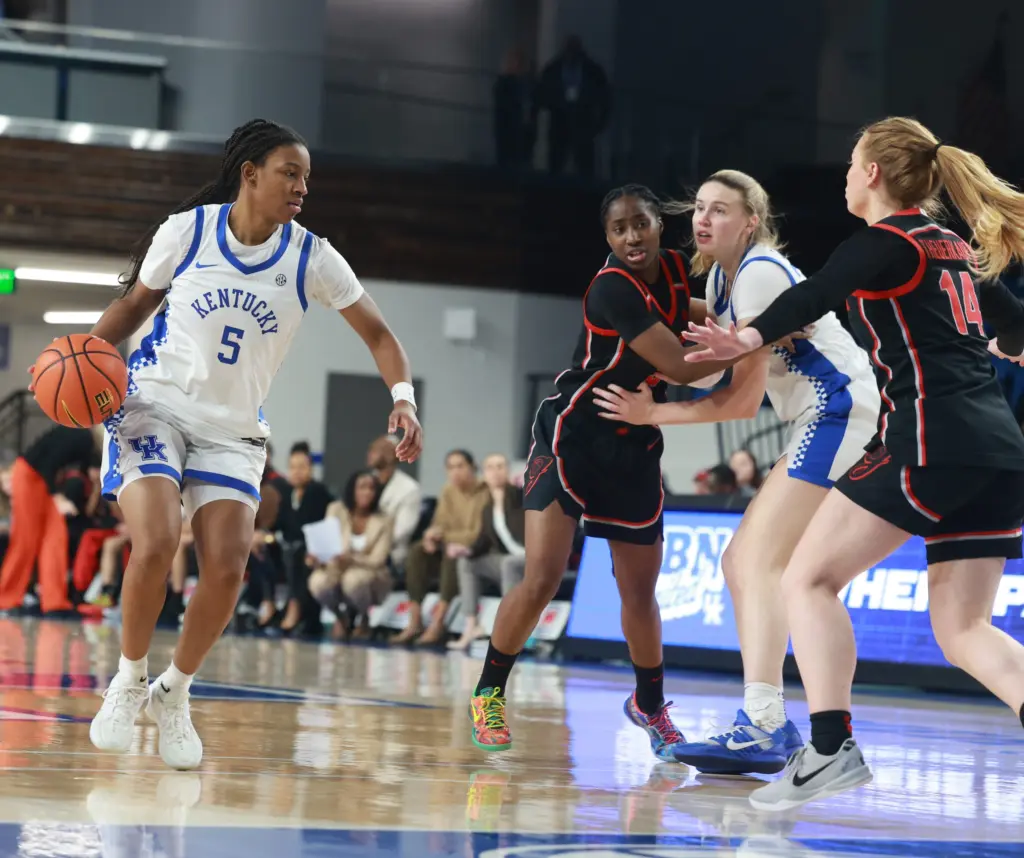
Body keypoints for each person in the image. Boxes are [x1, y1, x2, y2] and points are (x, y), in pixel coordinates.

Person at [683, 117, 1024, 809]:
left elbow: (814, 294)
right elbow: (1016, 327)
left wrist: (744, 338)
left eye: (850, 163)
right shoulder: (950, 245)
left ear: (872, 173)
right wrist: (1004, 346)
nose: (843, 175)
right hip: (1001, 453)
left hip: (930, 443)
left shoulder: (884, 242)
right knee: (963, 629)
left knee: (805, 578)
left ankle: (830, 749)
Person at [87, 118, 422, 771]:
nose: (302, 187)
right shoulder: (188, 232)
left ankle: (173, 691)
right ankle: (128, 680)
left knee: (227, 568)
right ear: (250, 174)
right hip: (154, 403)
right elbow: (133, 305)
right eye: (289, 174)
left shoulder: (311, 257)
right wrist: (83, 355)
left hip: (233, 429)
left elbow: (380, 335)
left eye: (306, 178)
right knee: (156, 541)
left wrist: (403, 398)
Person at [594, 169, 880, 775]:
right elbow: (676, 315)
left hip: (838, 410)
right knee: (758, 566)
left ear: (751, 222)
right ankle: (771, 721)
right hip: (822, 418)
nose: (703, 219)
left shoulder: (758, 274)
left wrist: (651, 412)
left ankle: (767, 724)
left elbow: (742, 403)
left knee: (754, 562)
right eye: (699, 207)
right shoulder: (724, 280)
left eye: (719, 210)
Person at [468, 184, 770, 757]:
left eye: (641, 224)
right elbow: (681, 364)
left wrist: (747, 320)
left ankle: (650, 706)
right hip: (572, 437)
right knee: (542, 577)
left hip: (634, 442)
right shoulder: (611, 288)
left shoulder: (676, 269)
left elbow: (695, 314)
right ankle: (489, 691)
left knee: (639, 591)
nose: (631, 237)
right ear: (607, 237)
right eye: (618, 229)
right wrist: (763, 337)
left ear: (659, 225)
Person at [0, 425, 103, 616]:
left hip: (42, 479)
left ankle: (54, 600)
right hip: (30, 475)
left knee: (55, 538)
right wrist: (57, 497)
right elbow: (49, 463)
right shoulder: (81, 437)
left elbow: (88, 465)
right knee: (25, 540)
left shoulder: (87, 442)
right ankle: (6, 598)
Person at [396, 449, 489, 646]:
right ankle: (414, 620)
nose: (455, 472)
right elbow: (439, 524)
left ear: (472, 467)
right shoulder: (448, 490)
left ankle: (438, 623)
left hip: (474, 552)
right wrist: (431, 536)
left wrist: (444, 537)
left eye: (460, 466)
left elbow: (476, 534)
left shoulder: (485, 491)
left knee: (452, 553)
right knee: (417, 551)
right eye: (450, 467)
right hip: (447, 545)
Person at [449, 453, 526, 651]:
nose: (496, 472)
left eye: (500, 466)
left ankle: (508, 630)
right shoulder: (488, 508)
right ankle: (471, 627)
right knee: (467, 562)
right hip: (511, 562)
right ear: (484, 474)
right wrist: (466, 550)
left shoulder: (521, 497)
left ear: (508, 471)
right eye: (490, 467)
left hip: (533, 559)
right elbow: (483, 541)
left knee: (509, 563)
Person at [307, 469, 393, 639]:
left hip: (369, 571)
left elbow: (379, 559)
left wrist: (351, 558)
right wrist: (317, 557)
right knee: (317, 582)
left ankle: (364, 617)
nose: (367, 492)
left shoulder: (385, 520)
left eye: (371, 488)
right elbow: (327, 544)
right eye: (362, 487)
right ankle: (340, 617)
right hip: (336, 567)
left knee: (352, 581)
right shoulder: (335, 509)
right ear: (352, 490)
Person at [366, 435, 421, 569]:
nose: (369, 454)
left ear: (391, 456)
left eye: (376, 450)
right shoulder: (366, 482)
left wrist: (371, 542)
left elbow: (402, 531)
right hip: (360, 546)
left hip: (390, 552)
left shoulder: (409, 489)